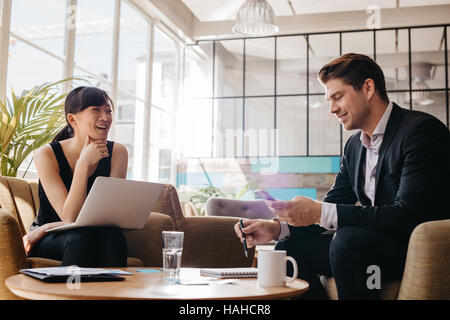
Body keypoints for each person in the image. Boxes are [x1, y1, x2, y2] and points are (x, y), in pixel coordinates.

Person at [234, 53, 450, 299]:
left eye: (338, 97)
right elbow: (337, 201)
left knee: (347, 239)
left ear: (368, 88)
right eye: (329, 100)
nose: (332, 109)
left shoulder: (420, 132)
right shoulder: (354, 146)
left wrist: (316, 211)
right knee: (288, 248)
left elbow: (408, 215)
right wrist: (276, 228)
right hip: (366, 247)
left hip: (408, 248)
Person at [23, 86, 129, 267]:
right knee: (80, 239)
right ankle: (70, 295)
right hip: (52, 238)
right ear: (72, 119)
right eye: (96, 110)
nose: (105, 117)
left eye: (108, 111)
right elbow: (70, 217)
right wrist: (82, 166)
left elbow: (108, 215)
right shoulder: (46, 154)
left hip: (57, 230)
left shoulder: (118, 152)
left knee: (114, 237)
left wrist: (46, 227)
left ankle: (110, 295)